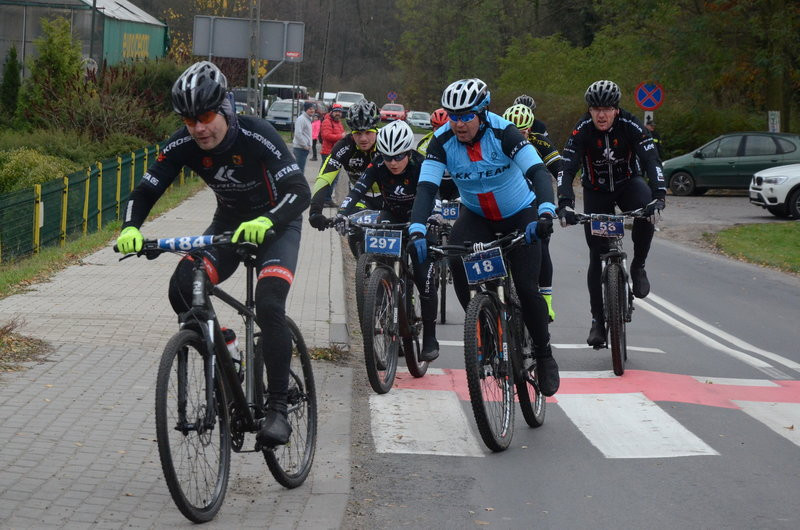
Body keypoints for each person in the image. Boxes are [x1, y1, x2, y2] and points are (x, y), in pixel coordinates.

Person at [114, 61, 310, 447]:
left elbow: (299, 192)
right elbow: (146, 191)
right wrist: (131, 228)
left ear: (226, 107)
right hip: (228, 227)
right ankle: (227, 347)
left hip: (277, 226)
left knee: (270, 304)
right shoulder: (183, 144)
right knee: (182, 287)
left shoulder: (259, 134)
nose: (199, 128)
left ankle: (277, 410)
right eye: (189, 120)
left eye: (205, 116)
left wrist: (268, 221)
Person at [407, 78, 560, 397]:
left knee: (528, 286)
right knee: (456, 258)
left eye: (466, 116)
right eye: (453, 116)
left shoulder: (505, 133)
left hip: (519, 212)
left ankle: (544, 356)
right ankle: (485, 326)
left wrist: (545, 211)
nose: (459, 123)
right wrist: (418, 228)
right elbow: (426, 188)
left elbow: (538, 173)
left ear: (482, 112)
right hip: (477, 215)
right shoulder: (441, 140)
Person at [557, 80, 666, 347]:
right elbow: (567, 167)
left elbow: (652, 159)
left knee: (645, 213)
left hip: (628, 184)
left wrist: (659, 195)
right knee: (597, 254)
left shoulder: (630, 125)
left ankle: (639, 265)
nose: (601, 115)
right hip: (596, 191)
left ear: (616, 109)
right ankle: (597, 320)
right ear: (590, 110)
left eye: (606, 108)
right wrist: (565, 203)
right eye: (595, 109)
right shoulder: (581, 130)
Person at [336, 120, 440, 361]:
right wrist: (342, 214)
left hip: (421, 217)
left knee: (424, 275)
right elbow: (357, 190)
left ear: (408, 152)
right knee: (379, 257)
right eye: (387, 157)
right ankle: (383, 298)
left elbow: (435, 194)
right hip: (391, 214)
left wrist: (435, 215)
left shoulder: (421, 165)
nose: (392, 162)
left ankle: (431, 337)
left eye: (398, 156)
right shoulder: (379, 163)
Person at [502, 103, 562, 321]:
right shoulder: (500, 141)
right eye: (515, 131)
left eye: (524, 131)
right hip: (509, 199)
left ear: (530, 129)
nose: (520, 135)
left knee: (541, 245)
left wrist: (564, 199)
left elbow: (559, 170)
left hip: (535, 198)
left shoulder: (539, 142)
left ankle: (546, 300)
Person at [308, 99, 383, 255]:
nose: (363, 138)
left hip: (388, 197)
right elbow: (324, 178)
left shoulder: (386, 143)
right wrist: (315, 211)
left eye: (368, 132)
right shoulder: (344, 146)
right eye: (358, 133)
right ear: (351, 132)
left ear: (377, 129)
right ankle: (365, 271)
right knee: (355, 235)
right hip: (361, 198)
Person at [416, 108, 459, 201]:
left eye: (444, 127)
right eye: (437, 128)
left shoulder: (461, 140)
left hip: (456, 183)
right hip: (437, 183)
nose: (441, 131)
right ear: (432, 128)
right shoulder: (424, 143)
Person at [319, 103, 348, 206]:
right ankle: (324, 199)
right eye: (336, 111)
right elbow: (326, 136)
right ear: (331, 112)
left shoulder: (338, 122)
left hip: (336, 153)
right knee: (327, 178)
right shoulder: (327, 122)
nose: (338, 114)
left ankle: (327, 198)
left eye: (339, 112)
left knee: (334, 178)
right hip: (328, 153)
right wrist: (341, 136)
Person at [292, 101, 315, 174]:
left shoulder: (307, 119)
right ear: (305, 110)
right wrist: (305, 145)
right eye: (310, 109)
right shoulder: (301, 119)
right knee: (300, 171)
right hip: (300, 149)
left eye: (313, 108)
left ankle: (297, 184)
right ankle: (298, 185)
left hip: (303, 149)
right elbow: (297, 134)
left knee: (300, 169)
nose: (312, 110)